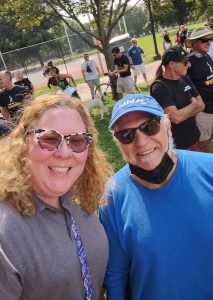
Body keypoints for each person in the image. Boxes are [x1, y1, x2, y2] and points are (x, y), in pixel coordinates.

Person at [99, 93, 213, 300]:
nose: (141, 142)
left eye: (150, 127)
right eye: (126, 135)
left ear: (167, 126)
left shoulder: (209, 170)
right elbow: (116, 276)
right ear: (119, 144)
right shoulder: (112, 197)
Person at [0, 94, 113, 300]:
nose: (63, 153)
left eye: (77, 141)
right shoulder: (5, 231)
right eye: (49, 139)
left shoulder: (79, 198)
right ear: (24, 144)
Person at [151, 45, 204, 150]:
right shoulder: (159, 87)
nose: (189, 65)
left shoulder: (185, 78)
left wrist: (183, 113)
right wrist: (193, 105)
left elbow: (201, 105)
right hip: (178, 147)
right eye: (185, 62)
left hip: (194, 138)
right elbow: (176, 118)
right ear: (172, 65)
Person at [185, 26, 213, 152]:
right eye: (204, 40)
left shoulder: (207, 57)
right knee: (204, 142)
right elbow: (186, 89)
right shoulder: (188, 62)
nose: (209, 42)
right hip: (204, 111)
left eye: (210, 39)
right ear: (194, 43)